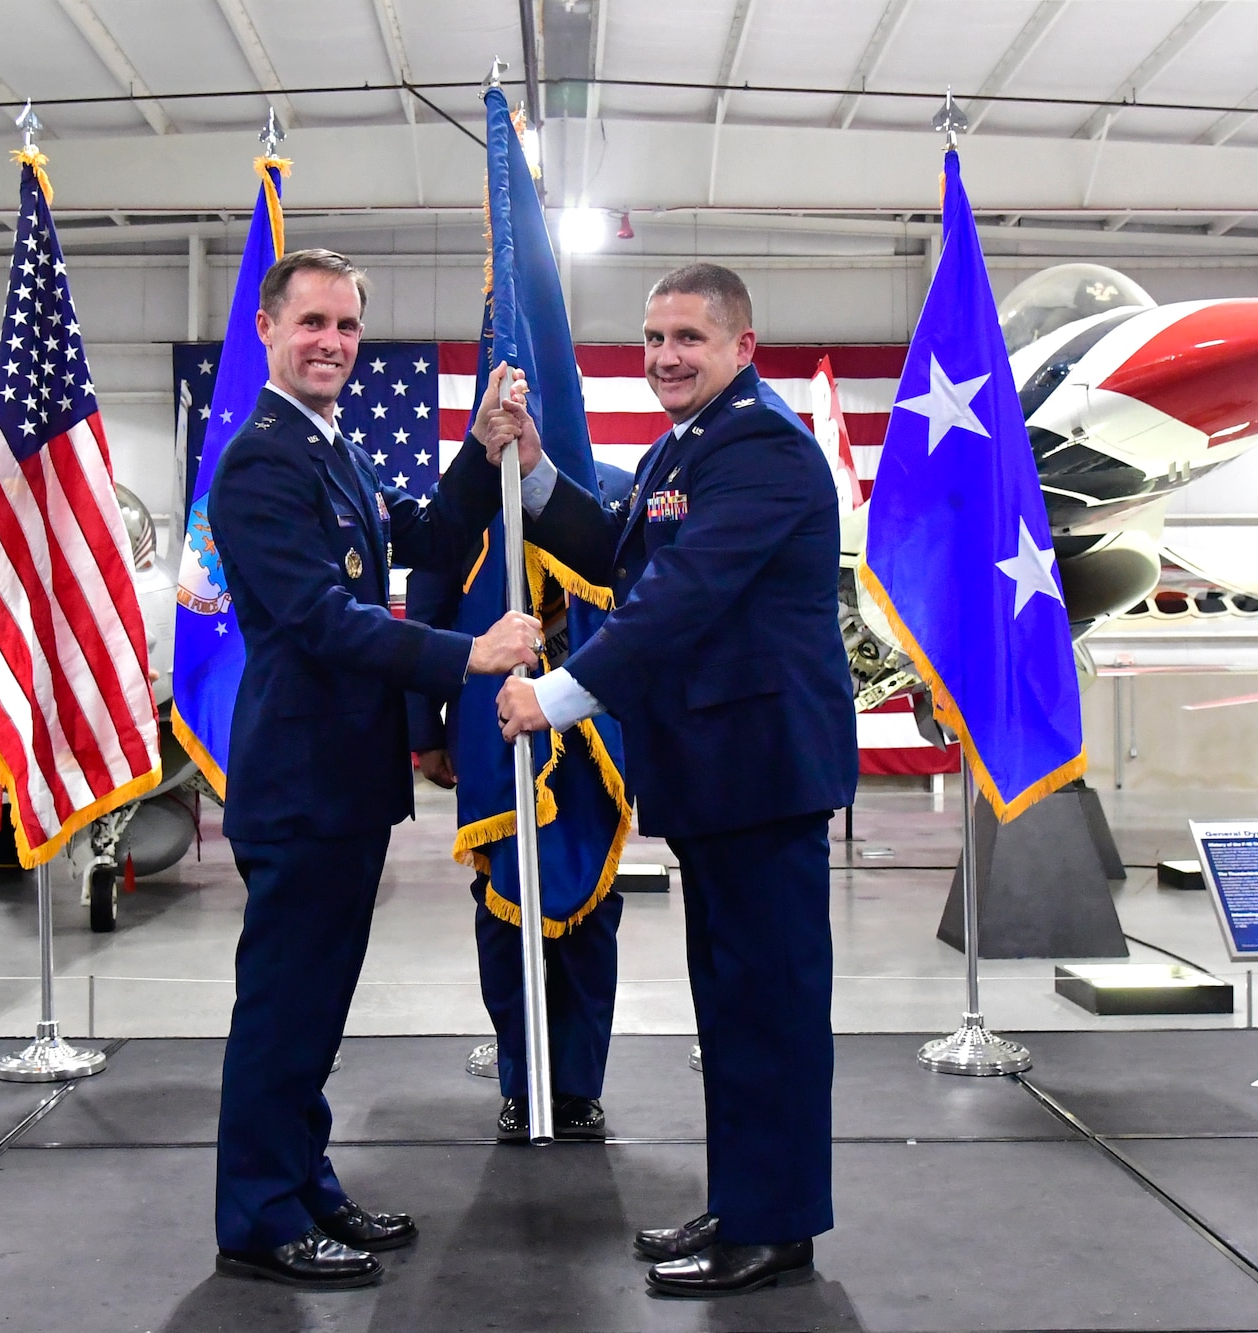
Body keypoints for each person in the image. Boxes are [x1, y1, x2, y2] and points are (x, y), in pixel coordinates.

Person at [486, 262, 859, 1297]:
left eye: (687, 338)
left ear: (744, 344)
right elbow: (616, 554)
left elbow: (678, 599)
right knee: (731, 1002)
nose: (663, 357)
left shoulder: (762, 448)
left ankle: (775, 1226)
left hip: (762, 773)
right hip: (717, 775)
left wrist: (554, 696)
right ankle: (745, 1198)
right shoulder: (687, 444)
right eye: (653, 338)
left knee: (768, 1007)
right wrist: (528, 467)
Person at [206, 248, 540, 1291]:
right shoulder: (264, 459)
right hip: (300, 780)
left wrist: (484, 451)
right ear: (267, 328)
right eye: (311, 323)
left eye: (346, 327)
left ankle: (301, 1181)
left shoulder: (327, 449)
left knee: (314, 1005)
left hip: (339, 783)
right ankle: (258, 1214)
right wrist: (464, 656)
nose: (331, 344)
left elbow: (424, 531)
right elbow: (316, 618)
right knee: (282, 1006)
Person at [403, 460, 636, 1142]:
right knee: (504, 916)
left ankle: (578, 1086)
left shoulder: (614, 491)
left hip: (594, 746)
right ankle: (521, 1078)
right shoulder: (466, 497)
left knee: (591, 918)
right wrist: (427, 733)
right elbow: (429, 612)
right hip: (493, 733)